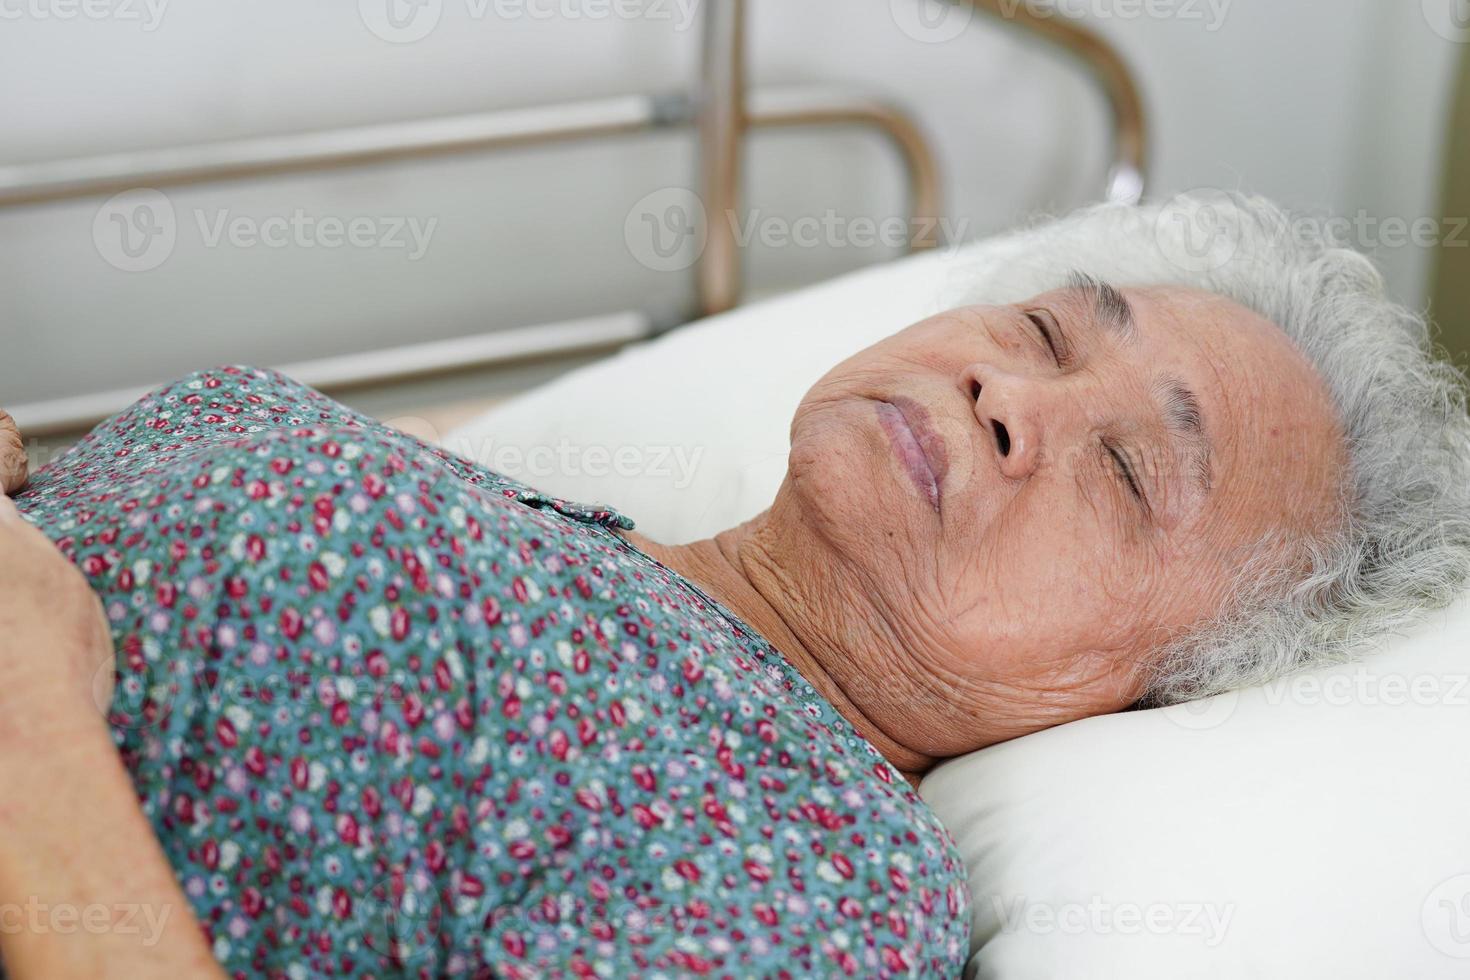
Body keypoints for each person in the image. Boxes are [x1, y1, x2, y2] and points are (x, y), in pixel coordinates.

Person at [0, 196, 1465, 977]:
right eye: (1041, 327)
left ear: (1164, 683)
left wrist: (36, 749)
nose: (1013, 395)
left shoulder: (814, 886)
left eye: (1135, 471)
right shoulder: (550, 520)